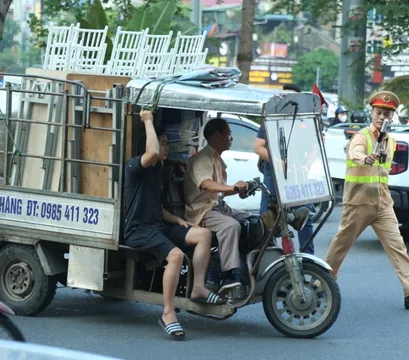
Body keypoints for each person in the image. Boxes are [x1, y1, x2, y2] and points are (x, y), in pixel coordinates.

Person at [324, 91, 409, 310]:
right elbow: (355, 152)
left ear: (392, 117)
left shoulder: (391, 141)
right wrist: (365, 158)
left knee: (398, 247)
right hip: (358, 202)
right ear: (372, 113)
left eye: (387, 114)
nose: (382, 117)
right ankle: (322, 284)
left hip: (382, 203)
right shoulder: (361, 136)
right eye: (379, 113)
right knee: (340, 245)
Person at [124, 110, 225, 341]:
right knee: (176, 256)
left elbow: (157, 208)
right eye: (163, 143)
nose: (165, 148)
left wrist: (178, 220)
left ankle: (198, 287)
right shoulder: (135, 168)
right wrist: (147, 120)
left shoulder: (159, 170)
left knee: (203, 234)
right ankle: (168, 313)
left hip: (158, 226)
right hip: (139, 231)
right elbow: (151, 152)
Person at [183, 117, 249, 293]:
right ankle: (228, 274)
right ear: (218, 136)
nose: (231, 138)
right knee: (231, 226)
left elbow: (220, 190)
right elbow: (206, 184)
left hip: (216, 207)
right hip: (202, 212)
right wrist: (232, 187)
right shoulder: (202, 159)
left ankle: (243, 262)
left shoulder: (217, 159)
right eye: (228, 134)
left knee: (251, 221)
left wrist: (239, 189)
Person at [254, 83, 315, 255]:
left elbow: (313, 148)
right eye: (283, 98)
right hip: (273, 175)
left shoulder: (304, 122)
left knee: (305, 216)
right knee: (267, 217)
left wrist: (306, 165)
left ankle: (308, 257)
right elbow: (258, 147)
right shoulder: (270, 120)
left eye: (291, 99)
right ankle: (266, 256)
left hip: (296, 175)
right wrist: (277, 161)